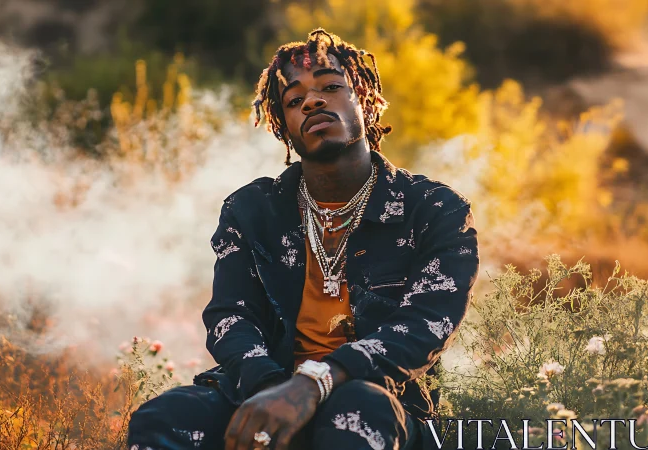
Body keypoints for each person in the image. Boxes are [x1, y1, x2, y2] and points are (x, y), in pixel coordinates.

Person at [128, 28, 479, 450]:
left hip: (380, 399)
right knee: (164, 419)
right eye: (294, 101)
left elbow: (424, 326)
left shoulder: (434, 209)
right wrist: (275, 391)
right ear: (284, 129)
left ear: (365, 103)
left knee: (353, 414)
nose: (312, 101)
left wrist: (312, 387)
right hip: (267, 388)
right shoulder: (252, 209)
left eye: (331, 87)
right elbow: (230, 318)